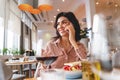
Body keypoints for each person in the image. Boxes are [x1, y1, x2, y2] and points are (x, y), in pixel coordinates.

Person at [35, 12, 87, 77]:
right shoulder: (51, 45)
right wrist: (44, 66)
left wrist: (73, 41)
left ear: (73, 25)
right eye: (58, 24)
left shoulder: (79, 46)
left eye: (64, 22)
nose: (60, 26)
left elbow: (87, 66)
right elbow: (40, 73)